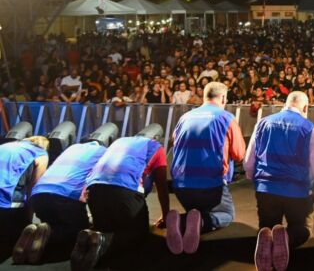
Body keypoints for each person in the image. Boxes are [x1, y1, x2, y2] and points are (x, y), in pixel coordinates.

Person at [245, 91, 314, 271]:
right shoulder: (310, 129)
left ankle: (267, 244)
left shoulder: (262, 124)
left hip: (265, 188)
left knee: (267, 225)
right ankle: (288, 239)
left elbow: (249, 160)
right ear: (305, 107)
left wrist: (254, 179)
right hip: (296, 191)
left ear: (286, 104)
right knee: (303, 228)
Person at [168, 81, 246, 255]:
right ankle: (201, 221)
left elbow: (175, 142)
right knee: (227, 214)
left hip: (181, 187)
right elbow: (239, 154)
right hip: (211, 186)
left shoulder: (184, 118)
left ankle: (181, 221)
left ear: (204, 97)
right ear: (223, 98)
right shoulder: (226, 118)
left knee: (195, 211)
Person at [71, 136, 170, 271]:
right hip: (123, 189)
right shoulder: (157, 148)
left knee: (110, 228)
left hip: (94, 190)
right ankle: (103, 241)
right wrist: (166, 216)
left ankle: (92, 240)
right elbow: (162, 186)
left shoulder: (119, 142)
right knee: (139, 232)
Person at [13, 139, 107, 264]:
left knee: (54, 223)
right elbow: (99, 185)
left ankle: (35, 233)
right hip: (66, 196)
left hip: (38, 195)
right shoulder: (103, 152)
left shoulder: (72, 149)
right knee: (79, 232)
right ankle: (51, 234)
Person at [0, 136, 49, 260]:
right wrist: (28, 219)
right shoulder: (41, 154)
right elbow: (34, 189)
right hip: (6, 199)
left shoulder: (4, 146)